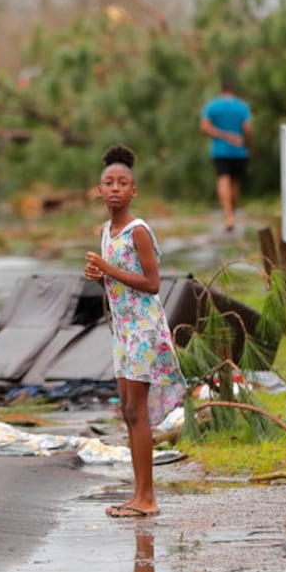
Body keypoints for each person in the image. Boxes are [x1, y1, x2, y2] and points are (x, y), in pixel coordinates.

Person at [83, 144, 187, 519]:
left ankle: (148, 498)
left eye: (122, 182)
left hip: (143, 328)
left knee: (138, 411)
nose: (114, 188)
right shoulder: (107, 232)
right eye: (108, 182)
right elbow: (115, 287)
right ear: (100, 190)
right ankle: (138, 494)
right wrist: (99, 277)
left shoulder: (138, 230)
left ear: (133, 191)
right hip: (122, 330)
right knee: (127, 410)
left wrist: (109, 270)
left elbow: (152, 283)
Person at [200, 78, 252, 232]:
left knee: (223, 179)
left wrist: (222, 135)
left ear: (221, 90)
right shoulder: (242, 107)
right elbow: (248, 129)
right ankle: (232, 214)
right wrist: (247, 144)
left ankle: (228, 216)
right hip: (239, 151)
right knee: (235, 182)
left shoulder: (212, 106)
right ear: (233, 89)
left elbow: (205, 127)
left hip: (220, 151)